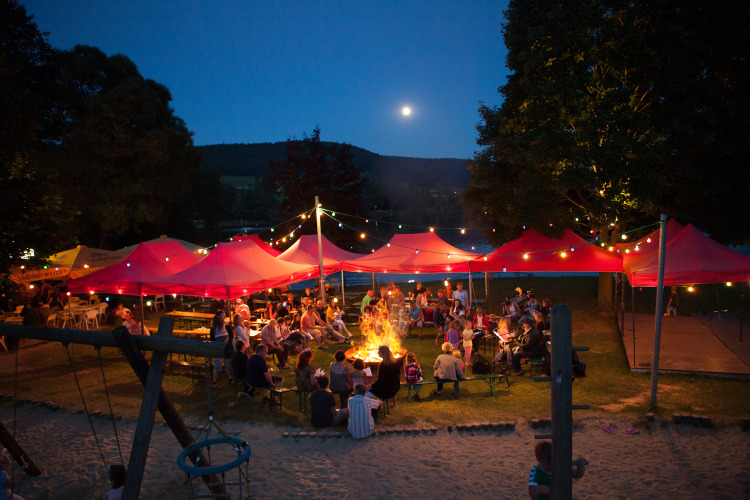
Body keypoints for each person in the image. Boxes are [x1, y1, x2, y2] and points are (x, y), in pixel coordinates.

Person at [210, 311, 233, 387]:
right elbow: (212, 338)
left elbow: (231, 334)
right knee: (217, 365)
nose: (225, 316)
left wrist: (228, 341)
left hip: (226, 346)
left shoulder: (226, 324)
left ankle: (230, 379)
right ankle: (214, 382)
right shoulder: (214, 326)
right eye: (223, 315)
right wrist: (218, 344)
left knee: (228, 363)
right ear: (219, 316)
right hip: (218, 347)